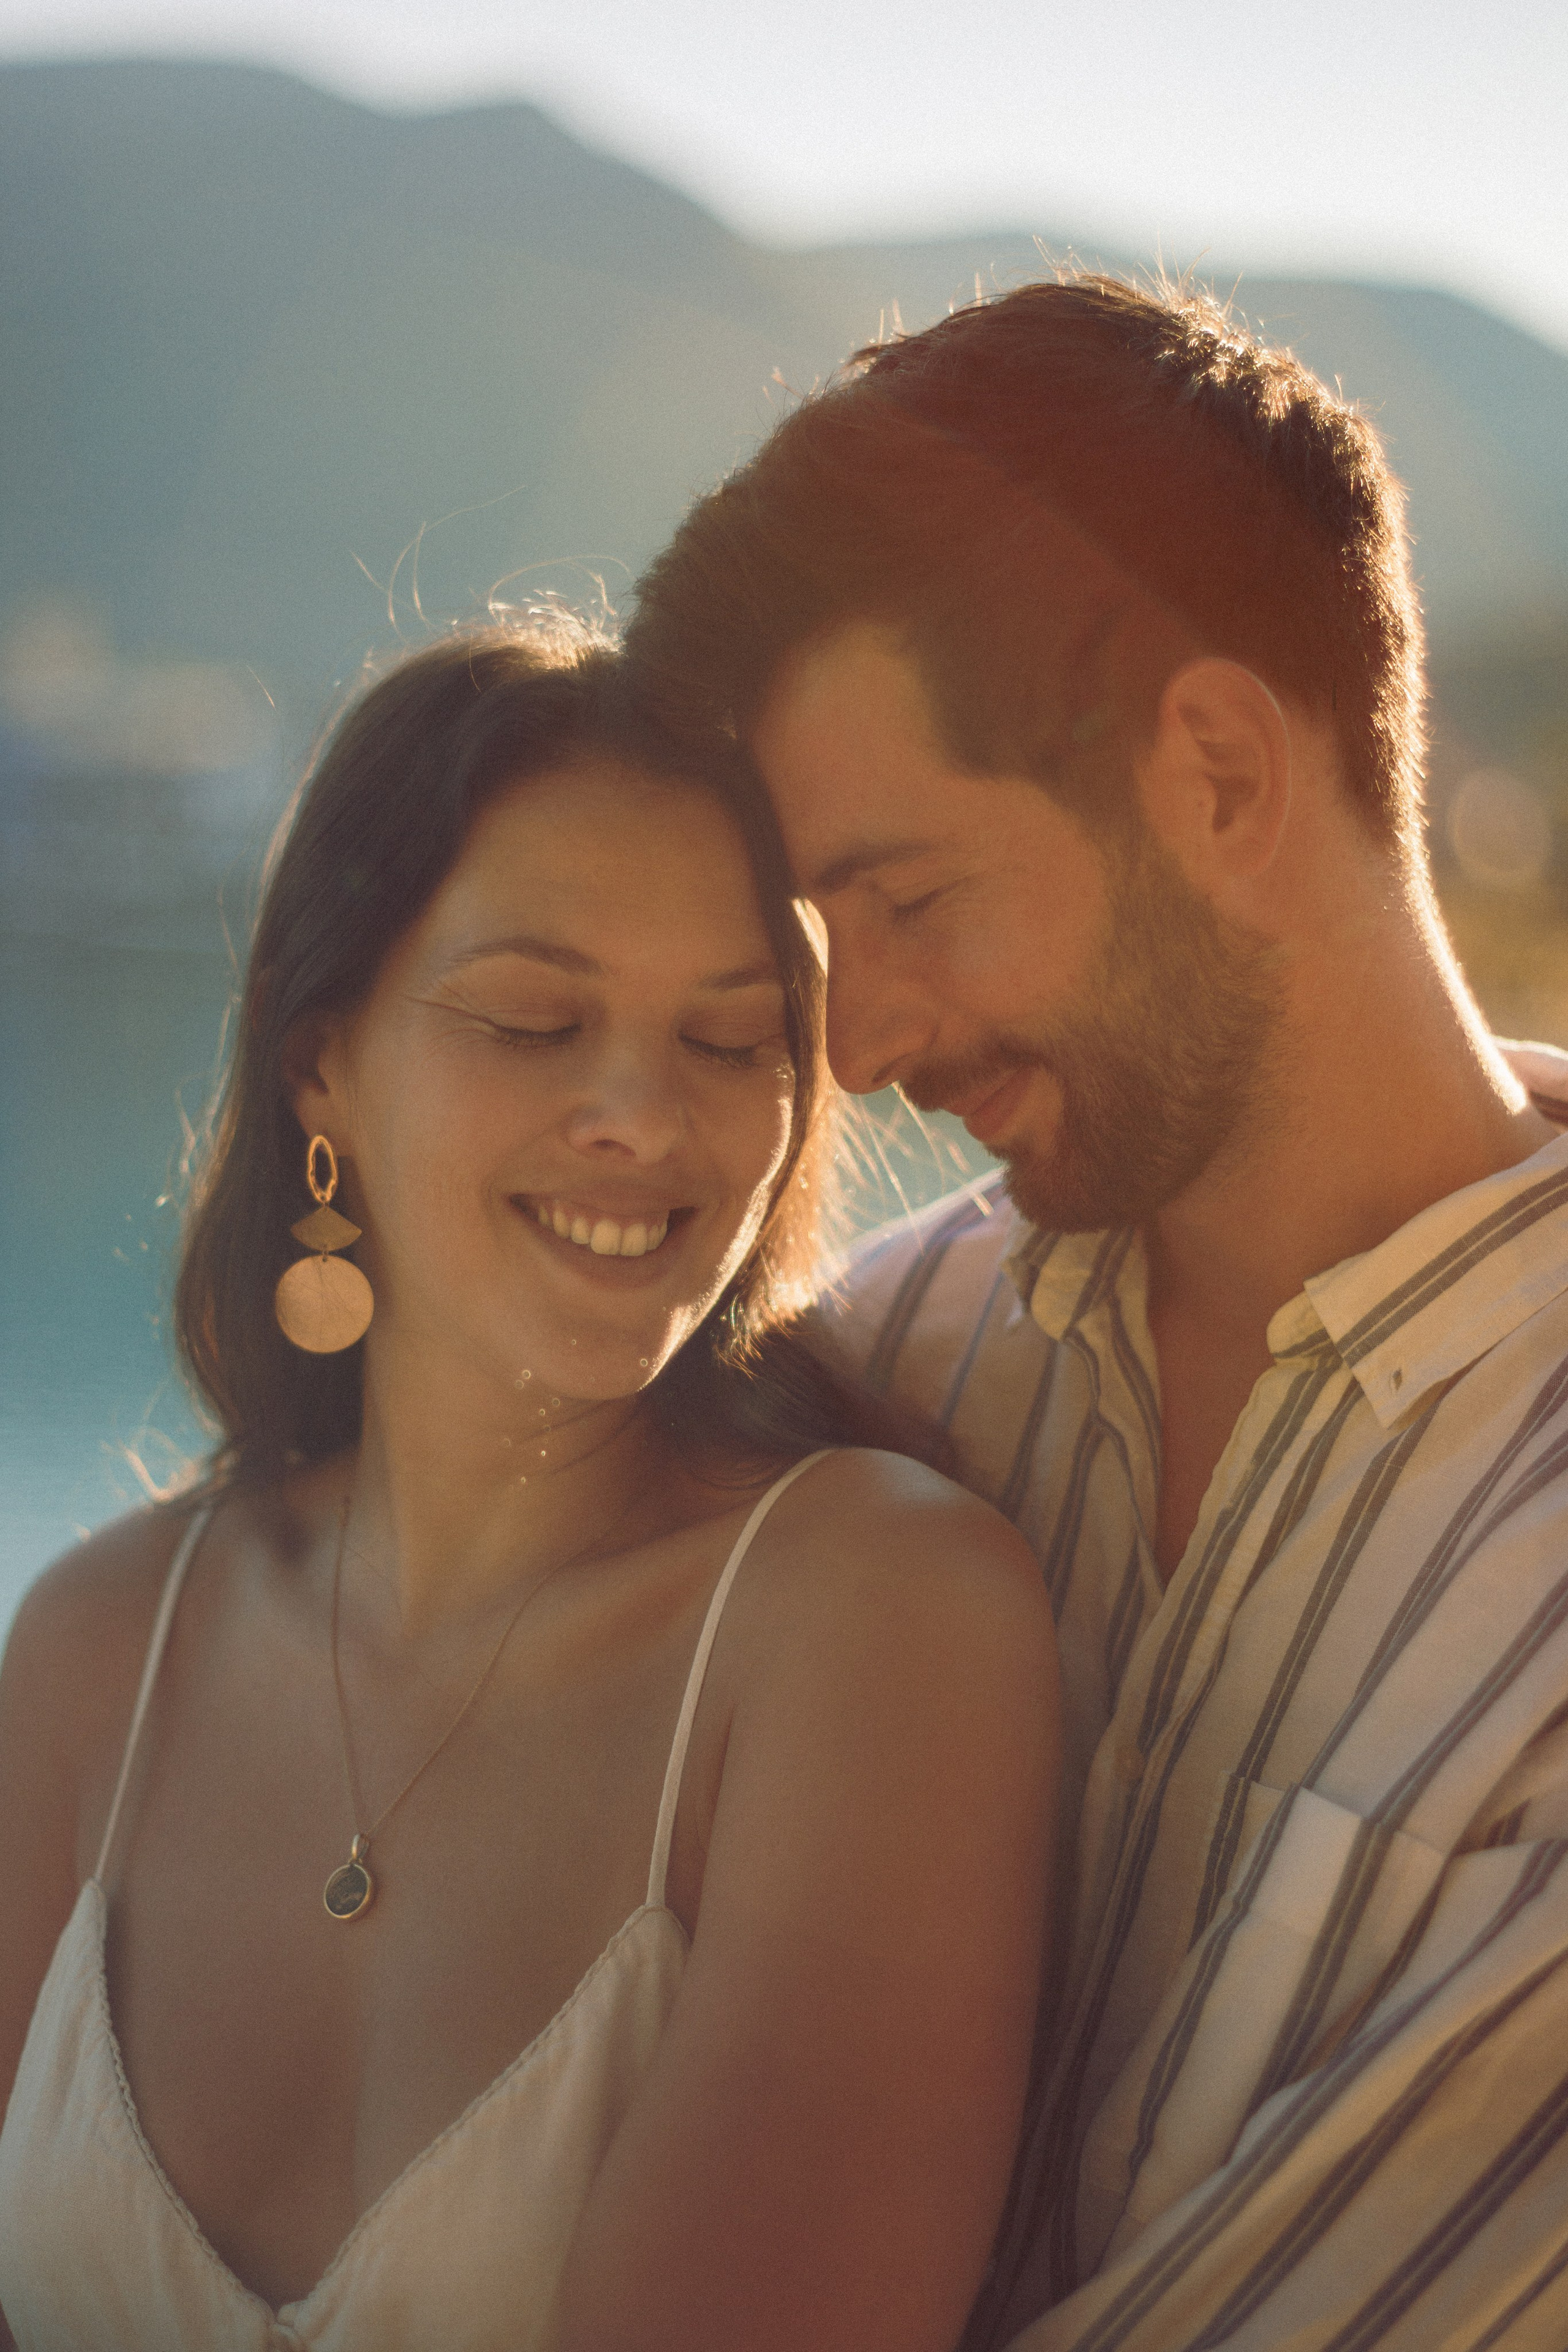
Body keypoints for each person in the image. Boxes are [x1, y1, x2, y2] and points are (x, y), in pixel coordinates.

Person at [624, 274, 1568, 2350]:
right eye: (811, 939)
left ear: (1221, 775)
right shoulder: (888, 1365)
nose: (851, 1046)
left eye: (910, 900)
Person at [0, 624, 1059, 2352]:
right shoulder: (93, 1654)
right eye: (535, 1019)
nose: (640, 1115)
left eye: (731, 1043)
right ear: (318, 1058)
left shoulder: (871, 1624)